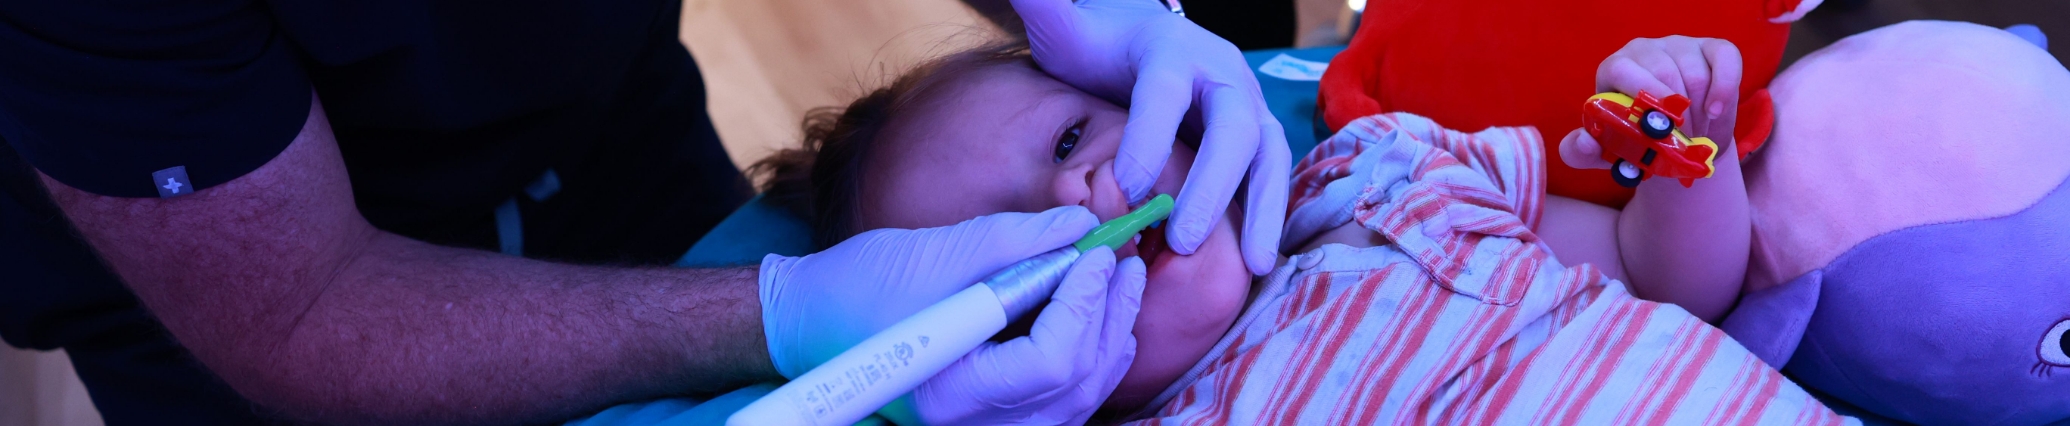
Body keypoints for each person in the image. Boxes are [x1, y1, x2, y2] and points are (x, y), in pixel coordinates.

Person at [0, 0, 1289, 424]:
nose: (1080, 197)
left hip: (612, 135)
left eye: (1070, 134)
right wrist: (786, 318)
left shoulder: (1367, 174)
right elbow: (306, 306)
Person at [750, 35, 1850, 423]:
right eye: (1001, 235)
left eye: (1070, 139)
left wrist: (1682, 150)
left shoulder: (1391, 171)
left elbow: (1671, 278)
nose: (1078, 198)